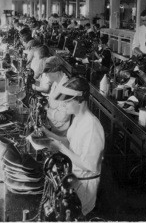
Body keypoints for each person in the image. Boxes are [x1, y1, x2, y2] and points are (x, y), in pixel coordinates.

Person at [40, 77, 105, 216]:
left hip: (84, 188)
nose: (63, 105)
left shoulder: (92, 126)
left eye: (67, 101)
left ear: (80, 100)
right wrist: (48, 134)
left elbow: (89, 165)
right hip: (73, 180)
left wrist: (61, 148)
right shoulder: (78, 118)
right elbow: (69, 141)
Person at [34, 56, 71, 136]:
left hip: (58, 131)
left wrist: (46, 109)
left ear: (56, 71)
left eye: (47, 72)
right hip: (50, 123)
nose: (46, 75)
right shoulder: (56, 82)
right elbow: (53, 100)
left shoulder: (65, 89)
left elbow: (63, 117)